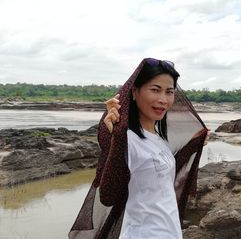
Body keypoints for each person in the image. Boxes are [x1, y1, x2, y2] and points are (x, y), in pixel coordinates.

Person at [69, 58, 208, 239]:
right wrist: (118, 136)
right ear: (134, 92)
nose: (163, 99)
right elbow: (108, 195)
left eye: (169, 92)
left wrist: (193, 145)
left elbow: (162, 175)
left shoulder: (157, 137)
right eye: (155, 90)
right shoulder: (128, 139)